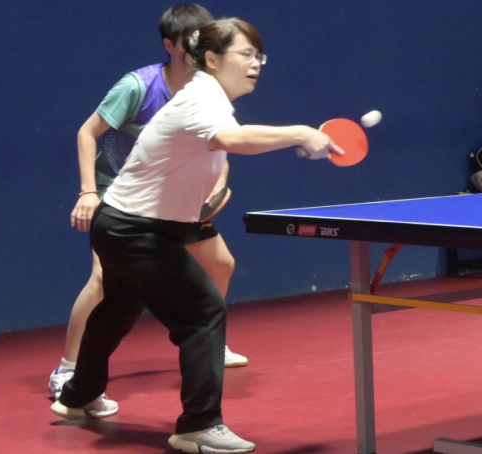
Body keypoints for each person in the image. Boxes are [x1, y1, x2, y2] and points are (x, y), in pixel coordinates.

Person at [50, 17, 344, 453]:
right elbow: (231, 139)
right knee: (204, 313)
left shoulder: (207, 98)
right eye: (245, 54)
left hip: (128, 224)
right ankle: (198, 425)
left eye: (259, 56)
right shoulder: (201, 98)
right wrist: (300, 132)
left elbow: (218, 146)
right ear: (212, 59)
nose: (255, 64)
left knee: (117, 310)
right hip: (134, 228)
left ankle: (77, 396)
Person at [49, 4, 250, 401]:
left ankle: (209, 342)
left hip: (171, 200)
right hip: (122, 198)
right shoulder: (137, 87)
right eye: (189, 43)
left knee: (221, 264)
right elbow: (87, 133)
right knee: (103, 282)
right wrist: (88, 192)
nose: (197, 50)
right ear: (169, 45)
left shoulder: (209, 89)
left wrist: (216, 186)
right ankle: (68, 368)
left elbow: (220, 146)